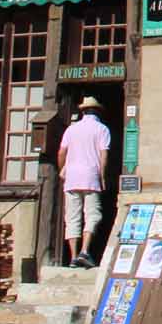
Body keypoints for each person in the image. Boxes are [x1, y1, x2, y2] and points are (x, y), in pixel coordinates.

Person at [58, 96, 112, 267]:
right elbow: (104, 156)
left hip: (72, 177)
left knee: (72, 217)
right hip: (90, 176)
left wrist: (62, 169)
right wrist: (103, 176)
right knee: (93, 214)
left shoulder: (71, 130)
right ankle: (84, 251)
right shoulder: (102, 129)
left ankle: (73, 256)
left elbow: (61, 152)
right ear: (97, 111)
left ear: (82, 112)